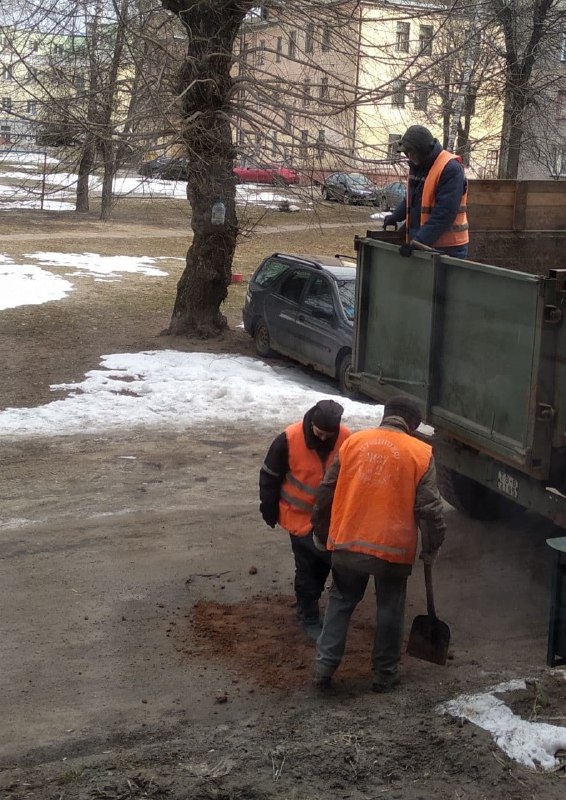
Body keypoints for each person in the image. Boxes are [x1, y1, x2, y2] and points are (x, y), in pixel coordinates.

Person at [311, 395, 446, 692]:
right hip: (391, 552)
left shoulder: (353, 443)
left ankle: (323, 668)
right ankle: (384, 676)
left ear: (385, 416)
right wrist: (433, 545)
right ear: (414, 424)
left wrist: (321, 532)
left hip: (347, 543)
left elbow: (326, 491)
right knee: (390, 610)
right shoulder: (420, 453)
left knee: (340, 602)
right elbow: (431, 509)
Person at [259, 400, 351, 638]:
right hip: (300, 519)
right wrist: (268, 509)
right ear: (311, 423)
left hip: (333, 521)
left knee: (326, 565)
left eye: (327, 435)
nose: (322, 438)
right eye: (318, 433)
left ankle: (314, 602)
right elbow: (270, 476)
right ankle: (307, 614)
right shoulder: (289, 440)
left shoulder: (346, 439)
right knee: (308, 566)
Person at [384, 125, 469, 259]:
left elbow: (445, 213)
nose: (408, 157)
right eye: (407, 154)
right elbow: (412, 199)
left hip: (448, 250)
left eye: (410, 153)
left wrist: (418, 241)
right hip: (425, 244)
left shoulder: (450, 169)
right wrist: (395, 216)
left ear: (422, 151)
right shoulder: (418, 166)